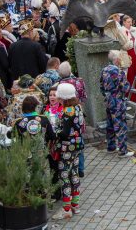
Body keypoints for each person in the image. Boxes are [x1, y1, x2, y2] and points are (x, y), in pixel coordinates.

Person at [52, 83, 84, 220]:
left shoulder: (67, 111)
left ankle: (66, 209)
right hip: (77, 146)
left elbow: (65, 133)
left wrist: (55, 132)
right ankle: (75, 205)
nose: (58, 99)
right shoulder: (78, 107)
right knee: (74, 173)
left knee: (64, 175)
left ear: (64, 98)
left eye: (59, 97)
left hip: (67, 148)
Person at [100, 50, 134, 157]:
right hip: (117, 101)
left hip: (108, 99)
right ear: (117, 59)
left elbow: (101, 87)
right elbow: (125, 88)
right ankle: (123, 151)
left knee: (110, 124)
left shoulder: (104, 70)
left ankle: (111, 147)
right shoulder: (119, 72)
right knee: (120, 125)